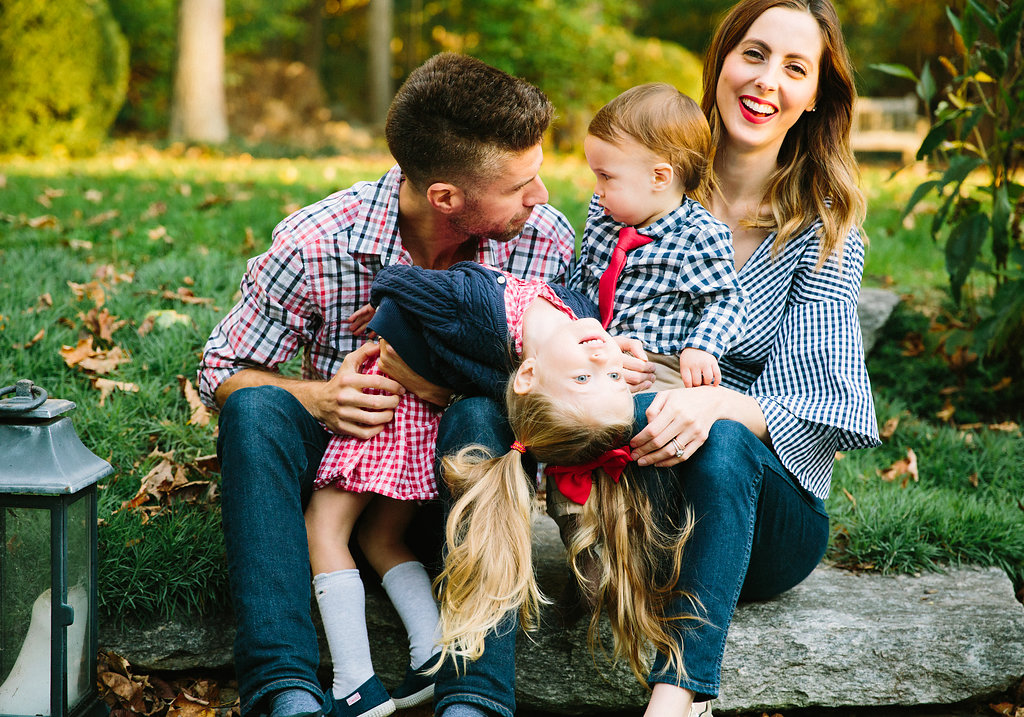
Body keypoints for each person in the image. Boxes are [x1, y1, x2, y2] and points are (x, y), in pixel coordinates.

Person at [430, 2, 881, 717]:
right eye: (754, 54)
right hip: (627, 490)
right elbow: (577, 318)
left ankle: (680, 692)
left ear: (817, 95)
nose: (767, 81)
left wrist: (713, 400)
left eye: (795, 68)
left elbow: (826, 394)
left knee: (722, 436)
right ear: (722, 60)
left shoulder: (824, 227)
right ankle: (474, 691)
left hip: (759, 513)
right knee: (478, 415)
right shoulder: (632, 183)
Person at [197, 52, 578, 717]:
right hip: (348, 476)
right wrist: (316, 397)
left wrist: (445, 393)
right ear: (446, 198)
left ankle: (472, 696)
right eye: (522, 184)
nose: (540, 196)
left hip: (465, 484)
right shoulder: (316, 242)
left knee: (483, 418)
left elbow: (566, 395)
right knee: (256, 408)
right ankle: (287, 688)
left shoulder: (543, 240)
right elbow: (219, 370)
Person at [303, 259, 637, 716]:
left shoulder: (483, 313)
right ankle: (428, 656)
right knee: (380, 537)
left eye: (585, 379)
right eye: (614, 377)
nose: (602, 361)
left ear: (529, 377)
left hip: (383, 410)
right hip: (421, 426)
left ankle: (355, 683)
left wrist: (387, 312)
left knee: (323, 529)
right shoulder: (576, 313)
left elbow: (398, 278)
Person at [549, 83, 746, 575]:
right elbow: (581, 279)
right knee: (565, 418)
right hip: (601, 351)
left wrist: (702, 346)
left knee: (641, 429)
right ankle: (581, 536)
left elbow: (724, 301)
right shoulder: (604, 218)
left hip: (660, 364)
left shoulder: (699, 235)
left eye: (606, 176)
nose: (596, 190)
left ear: (660, 176)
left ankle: (637, 541)